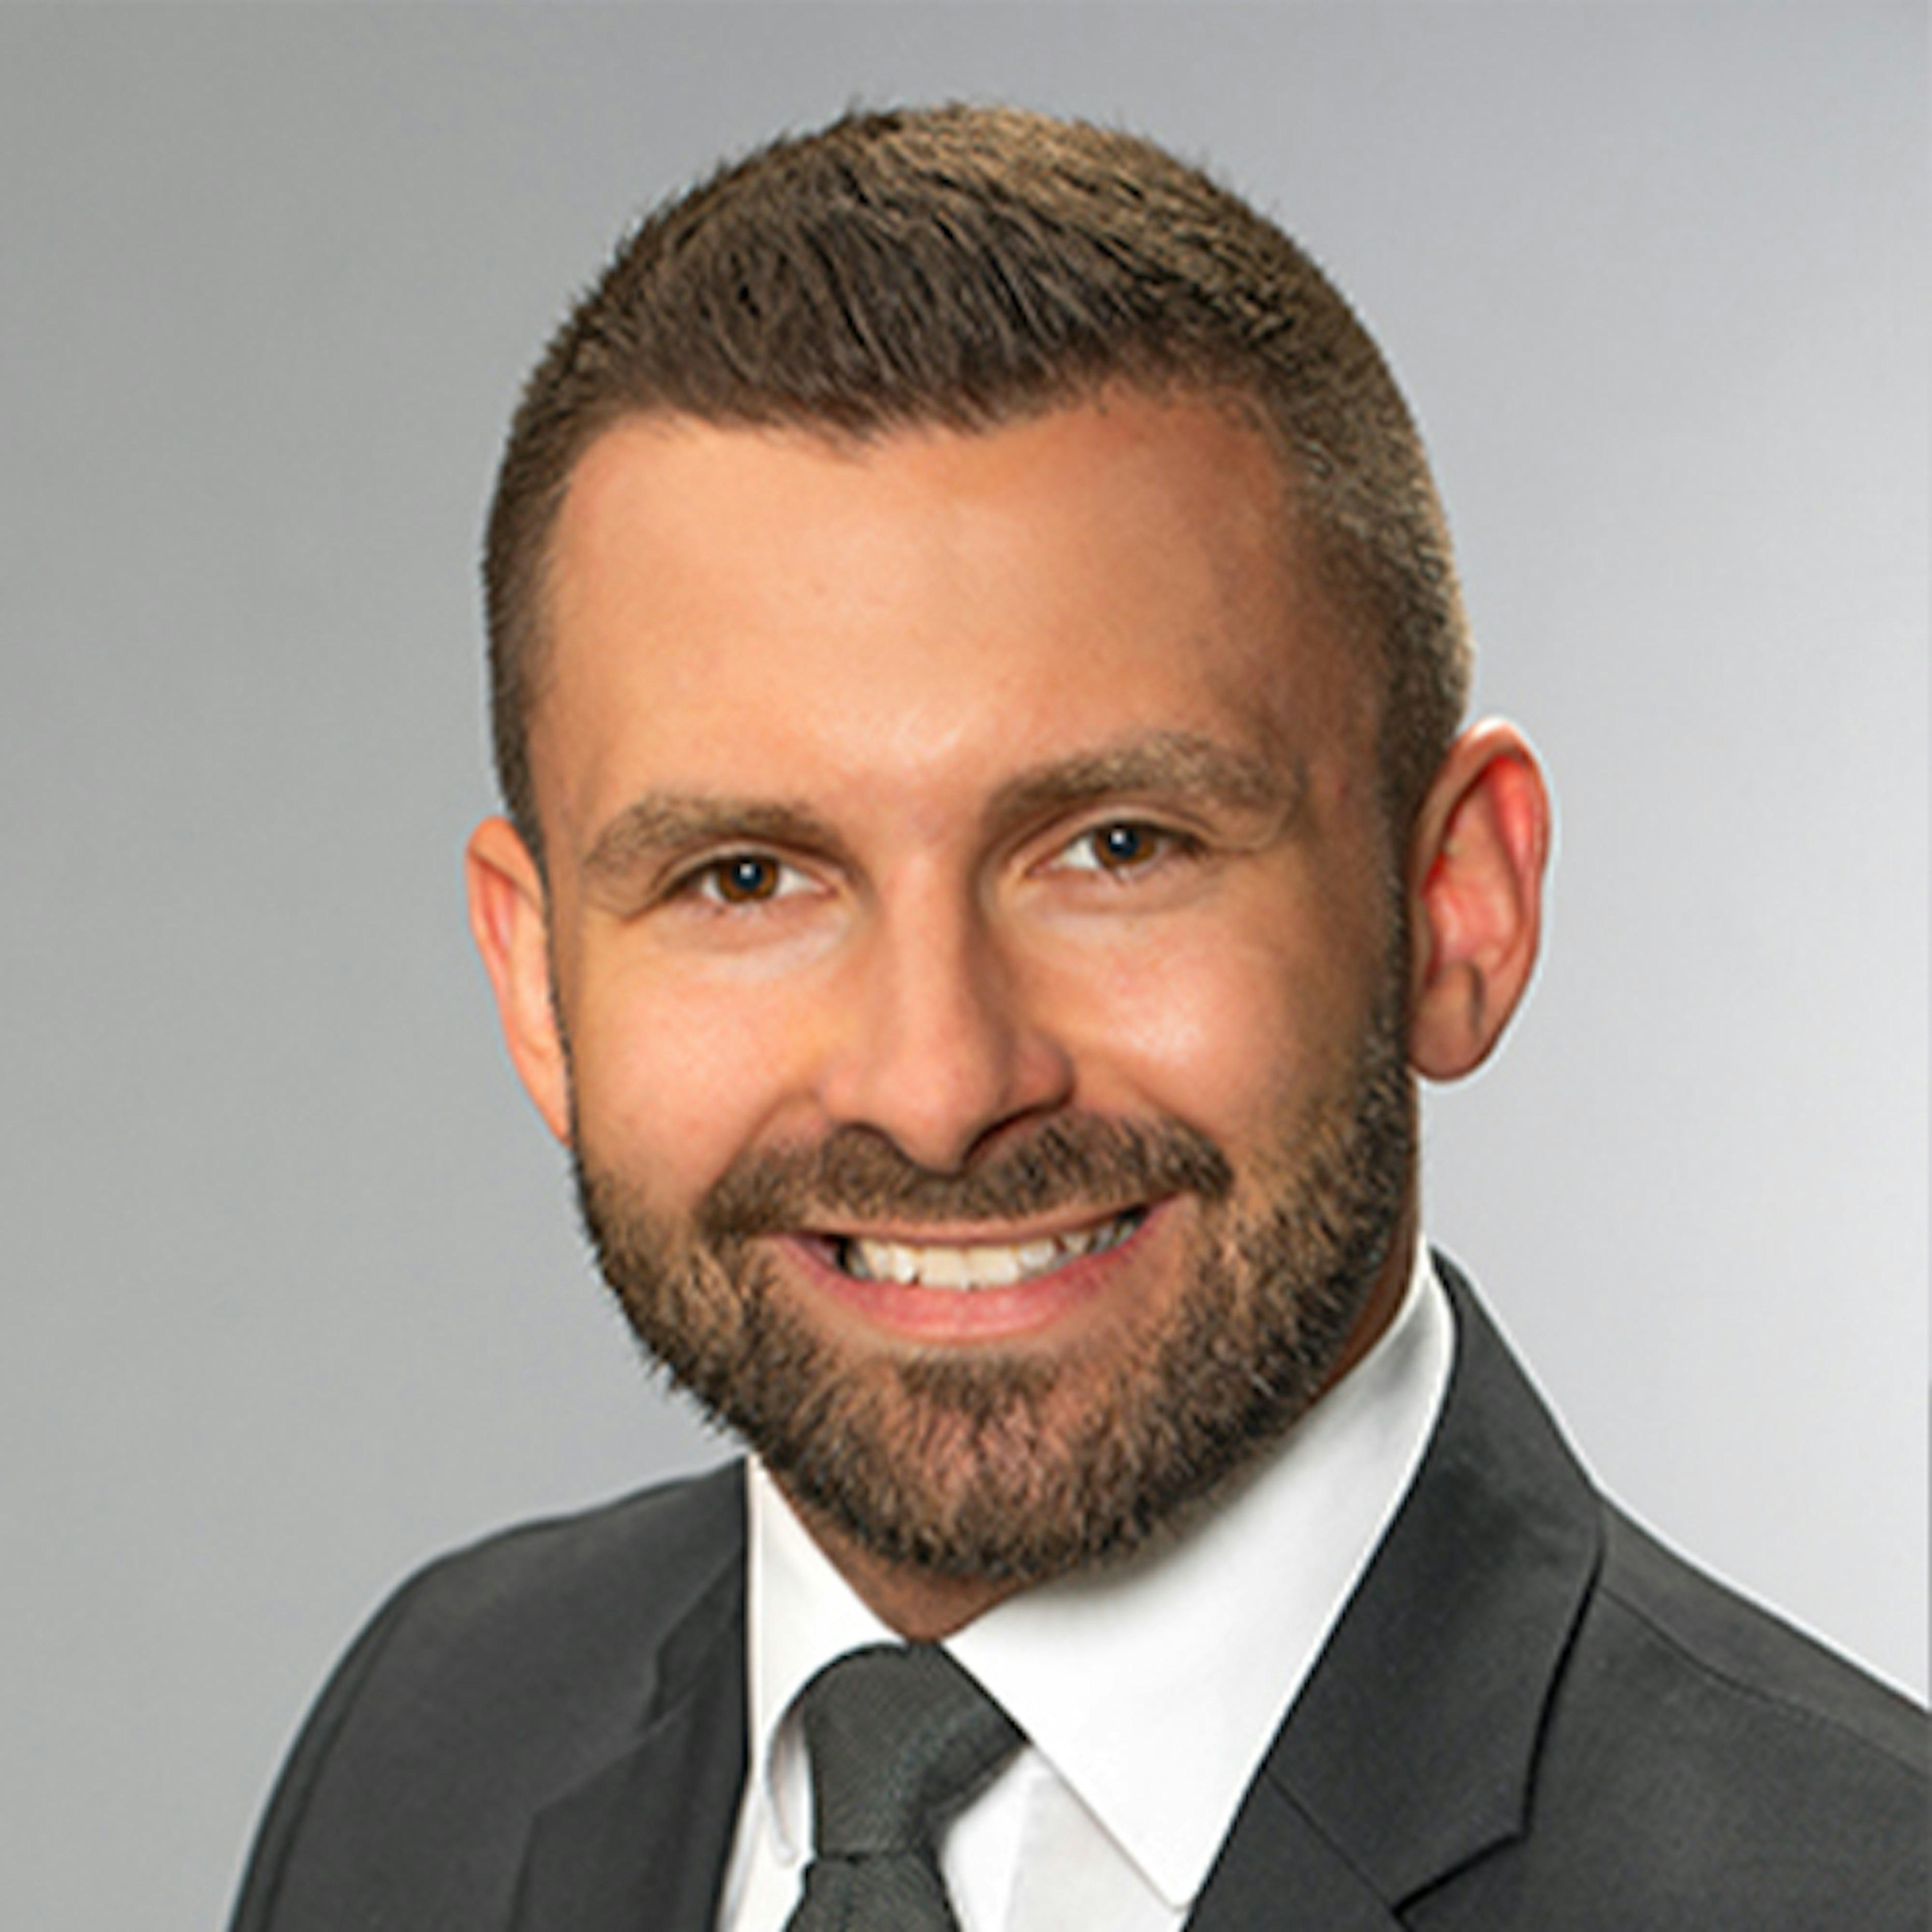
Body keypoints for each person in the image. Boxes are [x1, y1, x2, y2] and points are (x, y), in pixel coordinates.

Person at [228, 105, 1924, 1931]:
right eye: (746, 878)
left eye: (1118, 847)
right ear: (535, 980)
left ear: (1456, 908)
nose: (939, 1087)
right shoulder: (434, 1741)